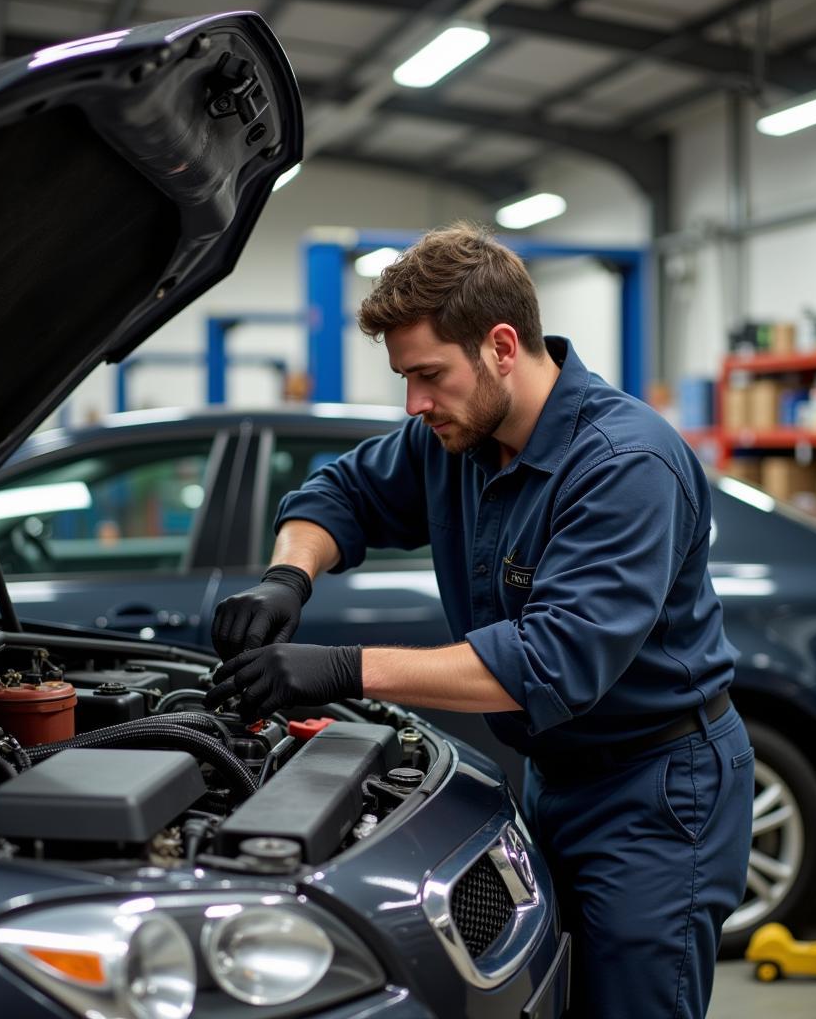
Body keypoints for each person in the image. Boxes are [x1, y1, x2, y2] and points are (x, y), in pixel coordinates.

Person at [206, 223, 754, 1019]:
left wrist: (342, 668)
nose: (414, 403)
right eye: (404, 379)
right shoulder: (459, 438)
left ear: (502, 345)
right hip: (556, 776)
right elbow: (339, 494)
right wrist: (290, 575)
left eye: (428, 375)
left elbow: (550, 661)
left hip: (659, 792)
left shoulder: (624, 464)